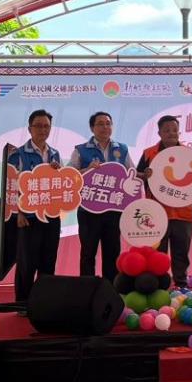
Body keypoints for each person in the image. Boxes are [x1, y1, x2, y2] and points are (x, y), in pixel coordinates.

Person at [69, 111, 133, 283]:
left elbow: (131, 173)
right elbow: (69, 176)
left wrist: (147, 174)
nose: (105, 127)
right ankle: (87, 289)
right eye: (100, 124)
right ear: (92, 128)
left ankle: (110, 290)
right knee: (88, 253)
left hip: (114, 209)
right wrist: (87, 170)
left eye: (108, 123)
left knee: (112, 252)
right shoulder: (81, 150)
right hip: (88, 211)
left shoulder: (121, 149)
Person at [7, 109, 62, 308]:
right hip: (28, 216)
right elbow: (11, 186)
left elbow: (60, 184)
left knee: (48, 260)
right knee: (27, 262)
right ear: (29, 128)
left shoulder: (54, 154)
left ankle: (43, 302)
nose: (42, 130)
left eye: (46, 126)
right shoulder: (18, 154)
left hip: (51, 215)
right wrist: (19, 213)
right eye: (38, 126)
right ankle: (23, 303)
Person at [136, 115, 192, 288]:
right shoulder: (149, 153)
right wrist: (145, 175)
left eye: (174, 130)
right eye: (167, 130)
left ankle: (181, 285)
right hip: (157, 212)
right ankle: (159, 286)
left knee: (181, 252)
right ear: (159, 133)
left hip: (183, 212)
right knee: (158, 254)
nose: (171, 133)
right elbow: (137, 175)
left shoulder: (188, 153)